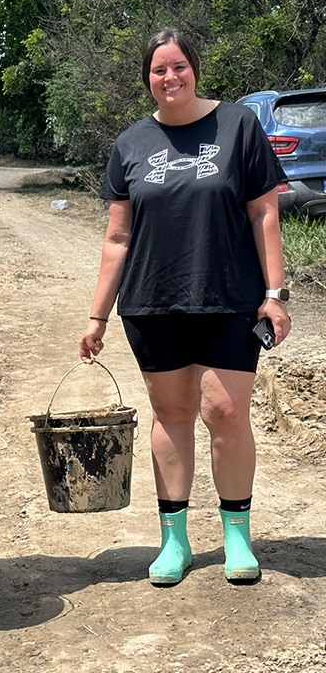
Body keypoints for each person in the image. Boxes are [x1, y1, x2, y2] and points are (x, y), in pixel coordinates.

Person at [79, 29, 291, 585]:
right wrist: (98, 315)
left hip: (229, 297)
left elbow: (264, 214)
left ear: (194, 68)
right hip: (152, 301)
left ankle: (237, 538)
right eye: (158, 70)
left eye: (178, 67)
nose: (169, 78)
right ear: (146, 78)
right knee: (171, 416)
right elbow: (117, 237)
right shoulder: (130, 144)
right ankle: (173, 541)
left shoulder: (238, 125)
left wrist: (275, 293)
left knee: (226, 413)